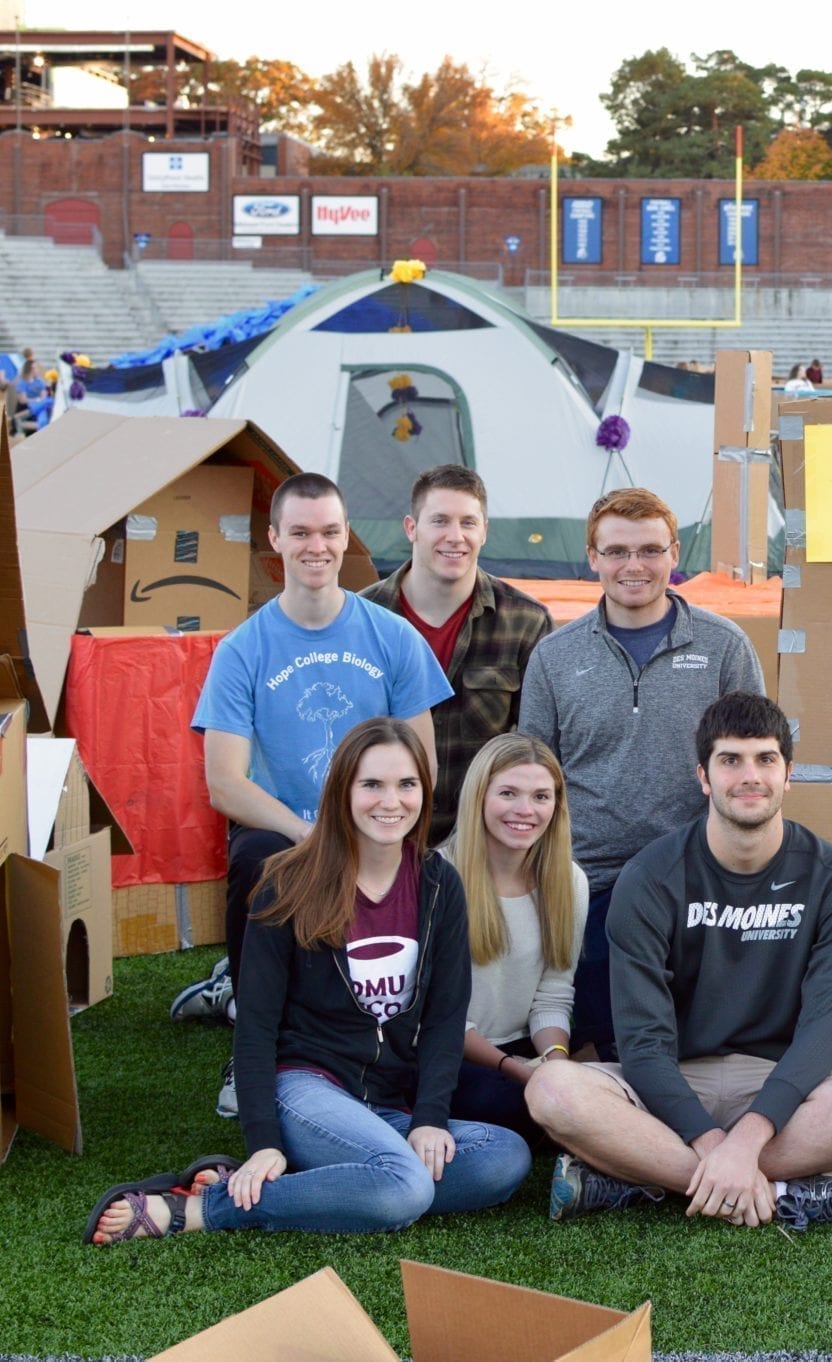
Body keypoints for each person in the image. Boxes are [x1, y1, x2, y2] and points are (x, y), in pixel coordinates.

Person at [87, 718, 529, 1243]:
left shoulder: (438, 883)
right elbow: (254, 1026)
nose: (392, 801)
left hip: (390, 1099)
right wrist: (264, 1141)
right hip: (306, 1085)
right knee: (404, 1187)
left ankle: (331, 1183)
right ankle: (202, 1208)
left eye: (406, 785)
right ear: (343, 790)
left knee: (505, 1158)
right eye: (373, 785)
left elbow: (444, 1016)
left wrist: (431, 1118)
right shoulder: (288, 880)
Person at [522, 693, 832, 1230]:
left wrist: (747, 1137)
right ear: (703, 776)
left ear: (788, 775)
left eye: (766, 759)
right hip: (670, 1079)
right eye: (730, 760)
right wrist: (716, 1143)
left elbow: (824, 1029)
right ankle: (781, 1191)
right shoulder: (649, 876)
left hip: (778, 1081)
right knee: (552, 1089)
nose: (750, 776)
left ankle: (640, 1178)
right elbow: (642, 1040)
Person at [180, 474, 451, 1116]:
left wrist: (372, 824)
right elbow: (224, 783)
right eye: (299, 532)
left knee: (430, 872)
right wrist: (314, 835)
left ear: (345, 534)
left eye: (330, 531)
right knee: (258, 858)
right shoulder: (243, 649)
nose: (316, 546)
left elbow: (422, 765)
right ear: (274, 539)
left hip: (374, 819)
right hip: (288, 828)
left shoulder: (392, 638)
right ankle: (254, 1036)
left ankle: (397, 1036)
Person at [519, 487, 765, 1058]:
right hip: (588, 872)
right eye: (617, 551)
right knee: (603, 1026)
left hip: (696, 868)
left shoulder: (724, 646)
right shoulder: (555, 657)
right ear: (593, 557)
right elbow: (534, 773)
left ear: (674, 554)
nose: (634, 566)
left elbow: (754, 762)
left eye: (650, 550)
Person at [360, 464, 555, 843]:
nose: (455, 536)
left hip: (482, 839)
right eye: (440, 521)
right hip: (377, 832)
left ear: (485, 530)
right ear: (411, 528)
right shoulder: (363, 619)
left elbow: (534, 748)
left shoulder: (525, 622)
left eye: (468, 522)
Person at [442, 733, 589, 1142]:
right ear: (479, 797)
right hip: (447, 1055)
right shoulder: (438, 879)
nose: (525, 810)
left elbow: (553, 996)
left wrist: (555, 1062)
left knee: (601, 1083)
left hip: (524, 1049)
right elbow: (440, 1017)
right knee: (521, 1106)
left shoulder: (569, 881)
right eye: (508, 793)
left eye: (541, 797)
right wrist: (519, 1071)